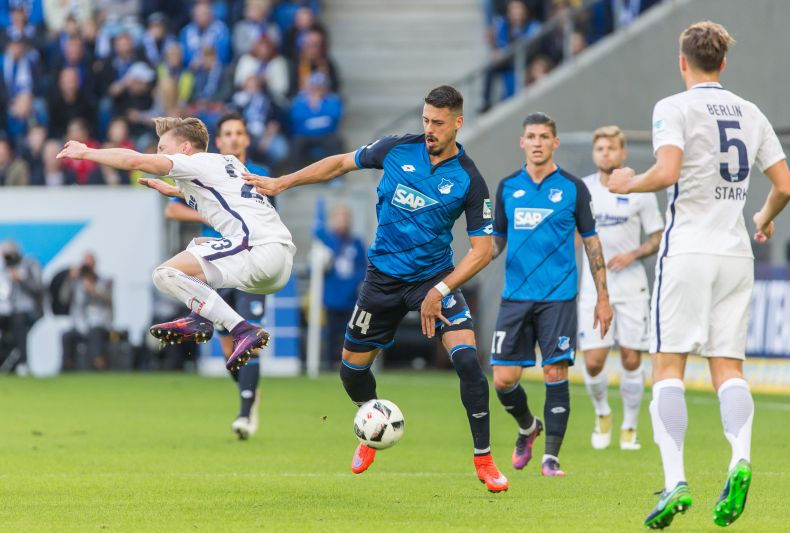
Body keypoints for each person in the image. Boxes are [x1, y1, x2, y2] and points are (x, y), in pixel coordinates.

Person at [244, 86, 509, 493]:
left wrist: (439, 289)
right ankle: (370, 421)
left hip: (432, 280)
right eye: (425, 120)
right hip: (382, 279)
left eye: (438, 123)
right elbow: (338, 164)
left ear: (458, 122)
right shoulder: (397, 149)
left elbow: (483, 250)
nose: (429, 129)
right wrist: (283, 182)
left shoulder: (469, 179)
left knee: (469, 362)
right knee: (351, 370)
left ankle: (485, 460)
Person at [608, 21, 790, 529]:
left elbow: (667, 172)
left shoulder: (674, 107)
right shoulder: (751, 112)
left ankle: (676, 482)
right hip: (735, 253)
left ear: (682, 61)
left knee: (667, 369)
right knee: (728, 370)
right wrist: (762, 217)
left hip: (687, 250)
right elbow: (784, 185)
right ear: (724, 63)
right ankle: (739, 460)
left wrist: (630, 183)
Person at [56, 116, 296, 375]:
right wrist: (177, 192)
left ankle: (242, 329)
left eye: (162, 148)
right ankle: (200, 318)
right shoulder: (228, 163)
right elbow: (223, 195)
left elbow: (135, 160)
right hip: (277, 261)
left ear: (184, 148)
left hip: (259, 249)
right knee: (197, 245)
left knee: (164, 274)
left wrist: (87, 152)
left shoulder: (193, 162)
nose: (159, 154)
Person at [490, 112, 613, 477]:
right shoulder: (507, 187)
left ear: (555, 143)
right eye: (532, 136)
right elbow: (496, 240)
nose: (538, 142)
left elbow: (592, 243)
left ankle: (551, 457)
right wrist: (473, 257)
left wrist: (603, 298)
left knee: (555, 372)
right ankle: (529, 427)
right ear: (522, 142)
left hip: (558, 296)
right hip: (515, 295)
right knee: (503, 380)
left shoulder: (573, 188)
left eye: (545, 136)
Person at [163, 113, 273, 439]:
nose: (235, 138)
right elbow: (171, 209)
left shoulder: (258, 174)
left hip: (249, 262)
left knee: (247, 339)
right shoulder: (203, 170)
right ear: (219, 141)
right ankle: (250, 394)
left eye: (240, 132)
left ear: (247, 139)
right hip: (215, 265)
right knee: (229, 350)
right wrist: (210, 209)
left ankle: (244, 413)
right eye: (228, 133)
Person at [579, 125, 663, 451]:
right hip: (592, 287)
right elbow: (576, 236)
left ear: (622, 153)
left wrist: (634, 253)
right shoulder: (583, 190)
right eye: (600, 148)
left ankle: (629, 425)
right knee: (594, 362)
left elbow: (657, 236)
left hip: (631, 287)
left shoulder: (641, 190)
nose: (605, 154)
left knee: (630, 358)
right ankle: (602, 413)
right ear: (594, 153)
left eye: (611, 148)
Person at [313, 204, 367, 369]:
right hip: (332, 296)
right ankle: (329, 364)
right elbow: (316, 266)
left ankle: (348, 364)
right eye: (339, 218)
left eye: (345, 218)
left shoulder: (356, 242)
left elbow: (363, 268)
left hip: (351, 296)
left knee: (350, 332)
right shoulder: (326, 240)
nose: (342, 222)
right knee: (331, 332)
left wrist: (356, 284)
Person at [60, 253, 114, 370]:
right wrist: (69, 279)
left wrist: (94, 290)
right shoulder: (76, 283)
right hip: (80, 324)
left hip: (99, 323)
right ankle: (67, 366)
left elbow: (109, 300)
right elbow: (63, 299)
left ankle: (99, 365)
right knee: (66, 336)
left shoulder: (104, 281)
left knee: (95, 334)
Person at [0, 241, 43, 374]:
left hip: (27, 311)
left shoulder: (29, 264)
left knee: (18, 323)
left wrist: (21, 279)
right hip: (7, 310)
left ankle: (22, 363)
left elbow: (38, 288)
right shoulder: (3, 269)